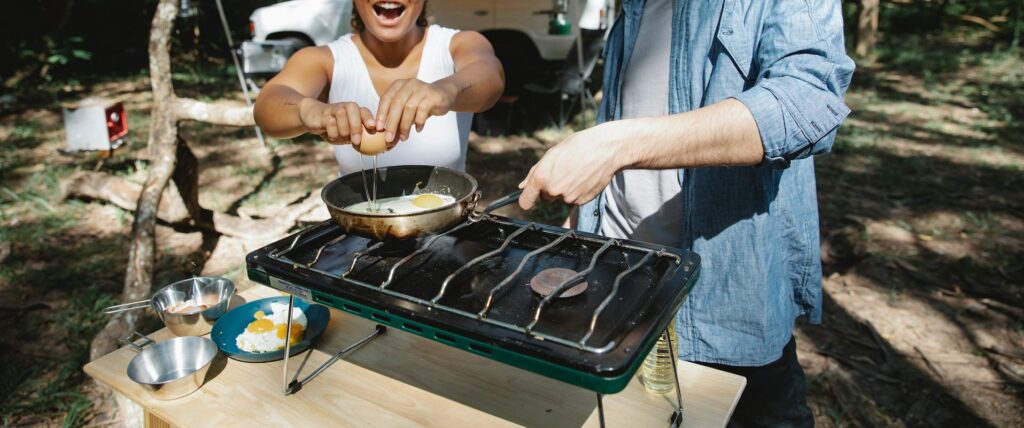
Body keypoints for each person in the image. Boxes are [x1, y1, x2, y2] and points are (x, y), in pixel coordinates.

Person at [517, 0, 854, 426]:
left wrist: (616, 145)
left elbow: (807, 102)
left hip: (725, 301)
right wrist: (582, 222)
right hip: (620, 283)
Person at [254, 0, 504, 173]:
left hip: (447, 231)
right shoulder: (325, 59)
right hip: (359, 233)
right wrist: (308, 111)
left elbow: (491, 77)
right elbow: (269, 106)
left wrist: (446, 90)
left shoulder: (457, 44)